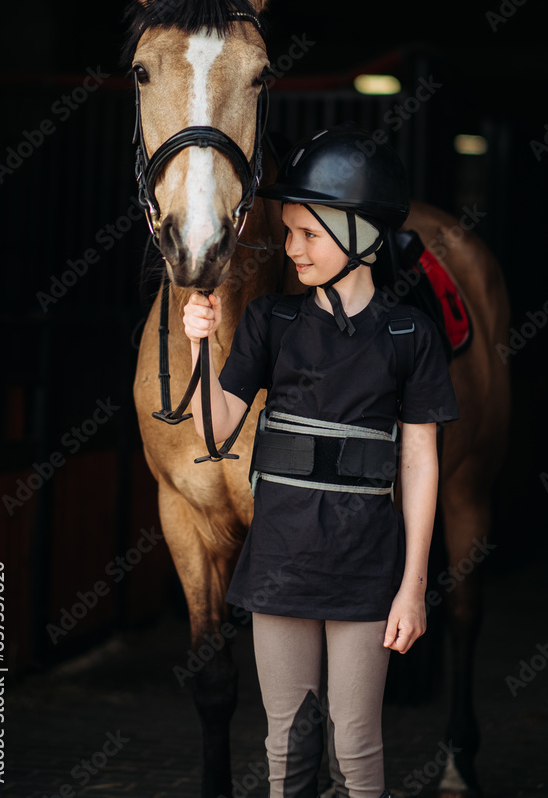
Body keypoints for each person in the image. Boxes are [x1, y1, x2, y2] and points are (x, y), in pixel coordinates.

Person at [182, 127, 459, 798]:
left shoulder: (408, 335)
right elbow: (216, 429)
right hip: (279, 562)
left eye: (308, 232)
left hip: (367, 567)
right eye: (289, 230)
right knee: (287, 746)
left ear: (362, 233)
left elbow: (419, 461)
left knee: (356, 746)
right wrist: (200, 346)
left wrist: (412, 586)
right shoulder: (268, 322)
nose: (291, 247)